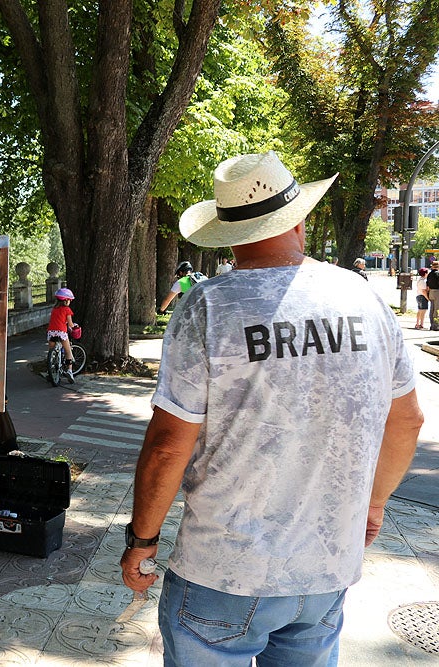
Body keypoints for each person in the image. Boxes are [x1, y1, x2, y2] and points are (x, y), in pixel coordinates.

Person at [120, 151, 423, 666]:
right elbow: (409, 420)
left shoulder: (209, 306)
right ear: (298, 219)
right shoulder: (362, 296)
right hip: (326, 568)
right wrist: (372, 506)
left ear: (230, 234)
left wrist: (142, 538)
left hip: (224, 569)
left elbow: (170, 444)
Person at [47, 287, 78, 383]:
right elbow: (70, 324)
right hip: (61, 332)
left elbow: (57, 320)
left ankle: (50, 371)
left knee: (51, 353)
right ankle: (69, 371)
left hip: (51, 332)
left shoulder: (54, 309)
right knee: (68, 351)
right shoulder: (67, 310)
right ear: (66, 300)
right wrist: (74, 326)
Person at [427, 259, 439, 331]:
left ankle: (432, 324)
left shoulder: (430, 274)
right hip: (437, 292)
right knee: (437, 309)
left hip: (431, 292)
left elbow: (427, 284)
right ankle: (436, 325)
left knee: (432, 308)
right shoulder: (438, 274)